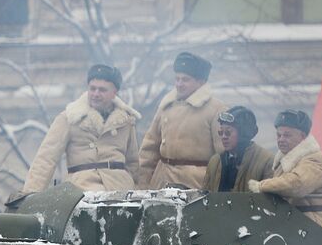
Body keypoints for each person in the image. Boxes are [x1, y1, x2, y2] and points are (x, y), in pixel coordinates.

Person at [20, 64, 140, 194]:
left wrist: (139, 192)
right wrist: (30, 193)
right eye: (92, 89)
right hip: (81, 190)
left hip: (120, 189)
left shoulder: (126, 121)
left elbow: (133, 163)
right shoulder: (70, 118)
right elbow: (46, 158)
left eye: (102, 90)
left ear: (114, 93)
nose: (96, 94)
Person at [137, 51, 228, 189]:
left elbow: (224, 155)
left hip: (197, 184)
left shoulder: (216, 109)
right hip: (161, 183)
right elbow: (149, 148)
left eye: (185, 79)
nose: (179, 84)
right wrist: (142, 183)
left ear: (201, 82)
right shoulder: (166, 107)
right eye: (177, 79)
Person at [249, 109, 322, 229]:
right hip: (294, 225)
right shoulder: (283, 161)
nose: (281, 139)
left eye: (287, 135)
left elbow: (297, 184)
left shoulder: (314, 160)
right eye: (279, 135)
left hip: (313, 228)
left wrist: (261, 186)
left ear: (303, 136)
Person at [206, 106, 274, 193]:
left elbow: (270, 201)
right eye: (221, 132)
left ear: (243, 133)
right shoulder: (215, 161)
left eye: (228, 132)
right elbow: (205, 197)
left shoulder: (266, 161)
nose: (223, 137)